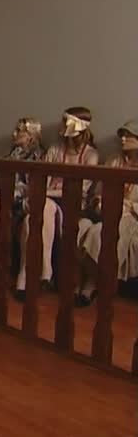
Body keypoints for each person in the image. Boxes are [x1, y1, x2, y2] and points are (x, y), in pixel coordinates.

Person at [14, 107, 99, 301]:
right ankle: (43, 272)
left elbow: (81, 190)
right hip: (46, 202)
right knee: (32, 219)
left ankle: (30, 275)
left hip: (71, 206)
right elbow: (42, 179)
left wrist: (45, 194)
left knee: (39, 211)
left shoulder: (91, 155)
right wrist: (42, 193)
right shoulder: (55, 150)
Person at [77, 119, 138, 307]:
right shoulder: (114, 160)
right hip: (106, 211)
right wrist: (99, 201)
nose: (123, 139)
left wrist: (128, 206)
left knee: (100, 233)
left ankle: (92, 284)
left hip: (130, 216)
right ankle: (81, 279)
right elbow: (99, 190)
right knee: (81, 227)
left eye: (128, 136)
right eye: (122, 135)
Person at [0, 118, 45, 277]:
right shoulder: (14, 152)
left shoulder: (38, 155)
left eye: (19, 131)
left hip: (23, 201)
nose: (14, 134)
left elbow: (30, 187)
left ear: (30, 136)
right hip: (8, 198)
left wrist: (0, 193)